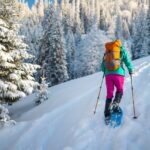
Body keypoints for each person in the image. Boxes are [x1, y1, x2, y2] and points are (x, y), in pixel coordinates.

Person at [101, 40, 133, 121]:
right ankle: (115, 104)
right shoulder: (121, 50)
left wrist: (106, 71)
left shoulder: (107, 51)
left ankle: (107, 115)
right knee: (119, 90)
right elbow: (127, 61)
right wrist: (130, 69)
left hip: (108, 75)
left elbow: (102, 66)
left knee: (109, 94)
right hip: (119, 74)